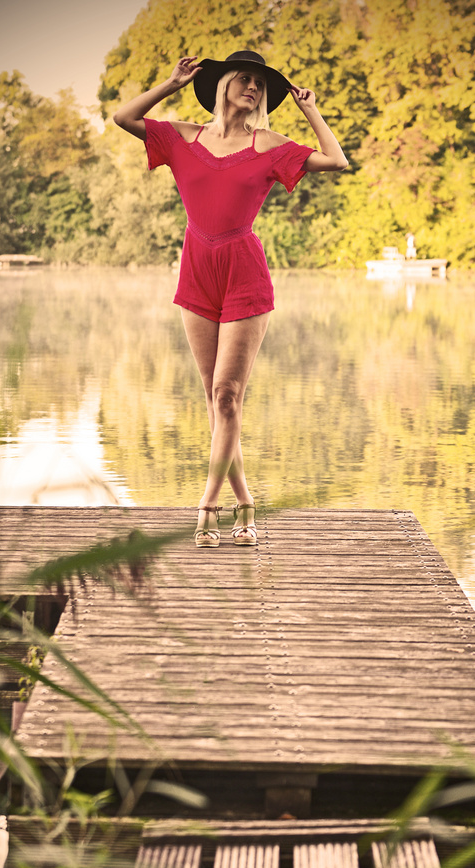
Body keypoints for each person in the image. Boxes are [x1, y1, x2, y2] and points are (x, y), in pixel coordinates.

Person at [113, 51, 347, 547]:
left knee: (227, 395)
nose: (254, 88)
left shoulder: (269, 144)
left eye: (260, 84)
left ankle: (207, 509)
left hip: (243, 271)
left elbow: (336, 160)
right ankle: (246, 506)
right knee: (218, 403)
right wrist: (172, 83)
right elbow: (124, 117)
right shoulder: (182, 137)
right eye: (245, 79)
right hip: (197, 269)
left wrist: (311, 111)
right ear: (222, 84)